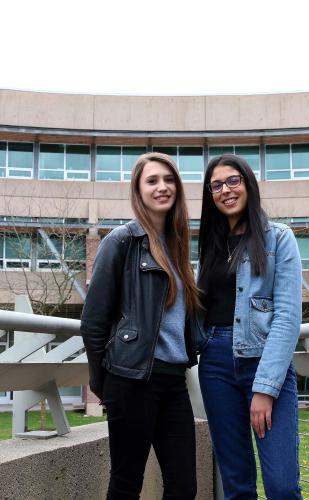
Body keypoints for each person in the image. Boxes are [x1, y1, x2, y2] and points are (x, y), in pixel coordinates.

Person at [81, 152, 201, 500]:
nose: (162, 187)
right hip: (131, 380)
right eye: (152, 180)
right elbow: (93, 321)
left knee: (183, 487)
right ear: (138, 190)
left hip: (173, 381)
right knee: (126, 483)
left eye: (169, 180)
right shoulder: (121, 241)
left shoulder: (178, 248)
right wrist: (103, 381)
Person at [197, 154, 303, 499]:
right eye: (216, 185)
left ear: (248, 184)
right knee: (237, 484)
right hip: (215, 365)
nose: (225, 190)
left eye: (233, 181)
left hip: (264, 361)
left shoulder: (279, 239)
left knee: (282, 486)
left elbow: (288, 317)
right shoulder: (210, 244)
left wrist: (265, 388)